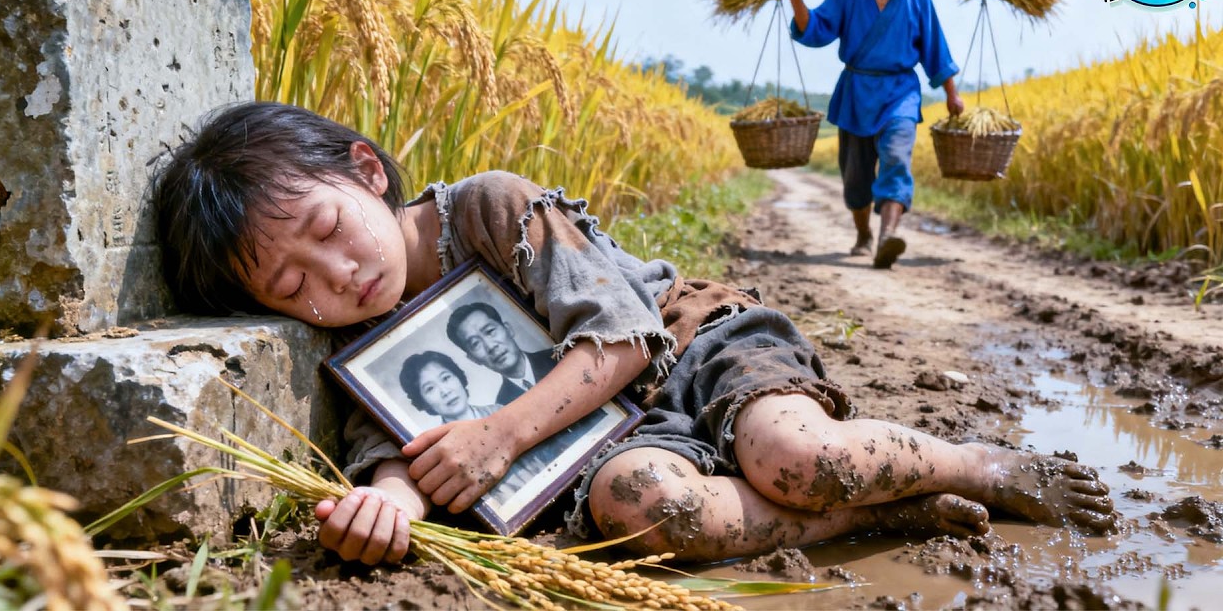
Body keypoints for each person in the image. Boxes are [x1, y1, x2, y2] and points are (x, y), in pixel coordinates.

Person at [154, 101, 1115, 568]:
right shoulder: (355, 351)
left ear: (365, 171)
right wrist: (393, 501)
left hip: (691, 352)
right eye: (294, 288)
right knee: (645, 505)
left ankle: (972, 465)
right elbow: (394, 449)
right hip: (607, 447)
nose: (337, 278)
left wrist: (496, 435)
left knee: (788, 451)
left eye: (326, 232)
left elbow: (620, 340)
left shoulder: (487, 213)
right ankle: (877, 514)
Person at [778, 0, 965, 270]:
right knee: (856, 175)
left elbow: (936, 51)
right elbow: (814, 31)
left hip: (900, 93)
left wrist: (951, 94)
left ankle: (886, 237)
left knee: (896, 158)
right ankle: (863, 233)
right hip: (856, 91)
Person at [398, 351, 538, 506]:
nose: (445, 391)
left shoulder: (500, 410)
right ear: (422, 401)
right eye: (430, 389)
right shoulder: (437, 450)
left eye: (446, 378)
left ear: (458, 377)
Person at [445, 302, 555, 405]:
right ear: (473, 359)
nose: (490, 346)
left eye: (490, 331)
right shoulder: (503, 406)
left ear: (508, 329)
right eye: (475, 344)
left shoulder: (559, 356)